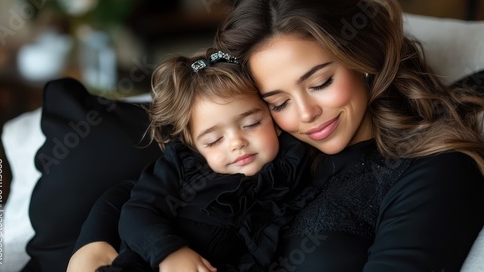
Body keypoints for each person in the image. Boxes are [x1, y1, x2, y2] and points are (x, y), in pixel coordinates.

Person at [69, 0, 484, 271]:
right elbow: (135, 193)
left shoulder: (435, 173)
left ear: (362, 57)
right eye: (278, 101)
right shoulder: (269, 144)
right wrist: (90, 250)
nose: (306, 114)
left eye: (320, 82)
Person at [76, 48, 318, 272]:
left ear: (274, 119)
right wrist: (169, 253)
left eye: (252, 124)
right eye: (214, 140)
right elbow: (137, 212)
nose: (237, 142)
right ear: (194, 145)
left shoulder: (294, 166)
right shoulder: (181, 168)